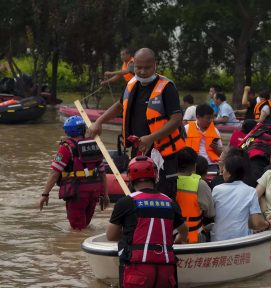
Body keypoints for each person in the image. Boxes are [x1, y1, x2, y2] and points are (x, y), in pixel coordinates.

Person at [90, 48, 185, 200]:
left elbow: (176, 119)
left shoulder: (167, 87)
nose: (142, 71)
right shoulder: (132, 84)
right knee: (137, 194)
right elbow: (120, 106)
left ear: (155, 65)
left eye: (147, 67)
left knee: (164, 193)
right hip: (138, 151)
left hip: (162, 153)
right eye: (138, 67)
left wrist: (151, 138)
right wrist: (99, 122)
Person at [106, 156, 188, 288]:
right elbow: (184, 230)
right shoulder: (170, 202)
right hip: (166, 271)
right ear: (155, 176)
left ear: (130, 178)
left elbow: (111, 236)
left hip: (138, 270)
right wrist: (179, 239)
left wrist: (128, 236)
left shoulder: (126, 202)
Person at [38, 116, 108, 230]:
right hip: (94, 191)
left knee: (77, 229)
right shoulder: (94, 145)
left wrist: (45, 194)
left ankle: (75, 247)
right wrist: (105, 194)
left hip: (77, 192)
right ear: (83, 129)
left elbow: (54, 173)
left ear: (67, 131)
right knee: (85, 225)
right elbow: (102, 173)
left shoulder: (66, 148)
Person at [211, 155, 271, 241]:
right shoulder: (250, 191)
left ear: (229, 173)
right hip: (241, 241)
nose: (222, 172)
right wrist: (268, 224)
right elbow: (256, 223)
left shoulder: (217, 190)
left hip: (218, 240)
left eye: (224, 169)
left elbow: (211, 213)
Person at [176, 147, 215, 243]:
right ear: (194, 166)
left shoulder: (168, 181)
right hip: (193, 238)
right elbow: (210, 213)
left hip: (169, 236)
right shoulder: (200, 184)